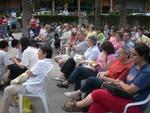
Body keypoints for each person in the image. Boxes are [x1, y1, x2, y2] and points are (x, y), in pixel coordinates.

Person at [63, 43, 150, 113]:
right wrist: (115, 83)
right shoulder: (135, 65)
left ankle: (76, 106)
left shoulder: (146, 72)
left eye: (134, 55)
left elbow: (131, 89)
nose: (131, 57)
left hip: (134, 104)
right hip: (124, 95)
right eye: (131, 54)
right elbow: (122, 82)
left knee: (98, 93)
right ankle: (79, 104)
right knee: (97, 105)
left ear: (142, 56)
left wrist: (120, 83)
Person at [0, 45, 53, 113]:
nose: (37, 53)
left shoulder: (41, 63)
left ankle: (5, 111)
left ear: (45, 54)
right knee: (13, 83)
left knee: (7, 90)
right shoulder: (48, 62)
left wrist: (28, 72)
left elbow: (30, 73)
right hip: (38, 85)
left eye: (39, 51)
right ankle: (12, 103)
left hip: (31, 88)